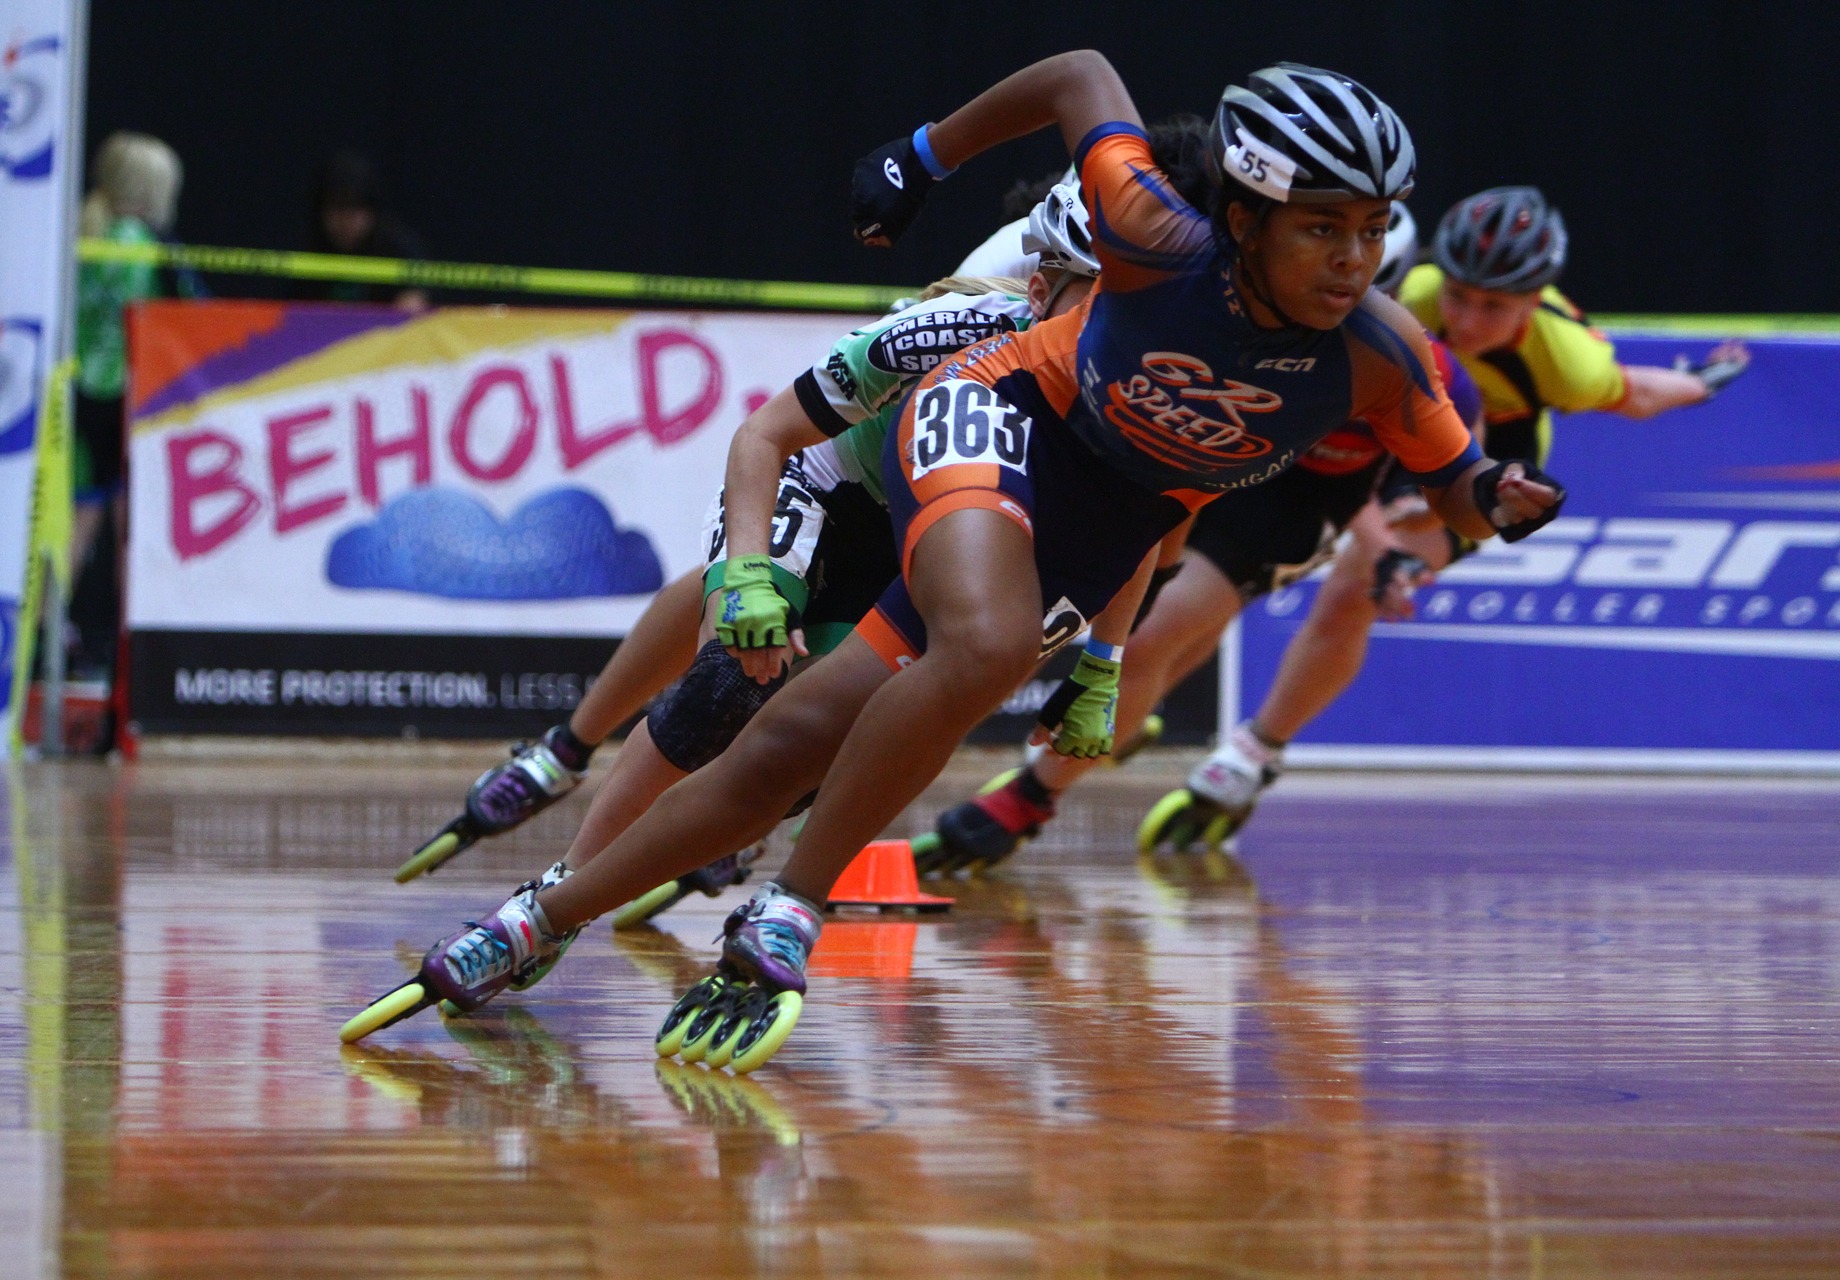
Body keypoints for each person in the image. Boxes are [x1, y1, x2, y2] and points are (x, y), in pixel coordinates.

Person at [346, 52, 1567, 1068]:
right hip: (991, 411)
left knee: (799, 740)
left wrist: (1493, 498)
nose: (1352, 260)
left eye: (1368, 232)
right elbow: (1084, 74)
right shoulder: (1139, 234)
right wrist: (922, 154)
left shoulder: (1384, 356)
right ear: (1241, 220)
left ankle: (531, 920)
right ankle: (783, 912)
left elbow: (1431, 480)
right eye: (1320, 230)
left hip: (1103, 514)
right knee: (950, 651)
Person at [383, 183, 1106, 905]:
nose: (1114, 326)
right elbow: (768, 433)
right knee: (729, 672)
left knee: (825, 740)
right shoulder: (983, 306)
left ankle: (724, 818)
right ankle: (565, 812)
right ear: (1042, 289)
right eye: (1099, 301)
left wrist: (1105, 662)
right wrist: (751, 573)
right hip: (830, 473)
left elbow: (1141, 534)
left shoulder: (1142, 374)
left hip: (918, 527)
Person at [1155, 185, 1751, 848]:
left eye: (1493, 307)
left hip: (1481, 461)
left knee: (1358, 584)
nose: (1465, 320)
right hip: (1376, 429)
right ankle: (1148, 686)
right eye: (1459, 295)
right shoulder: (1406, 290)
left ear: (1536, 302)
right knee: (1240, 561)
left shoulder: (1568, 360)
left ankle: (1252, 755)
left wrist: (1702, 382)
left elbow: (1636, 394)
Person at [913, 202, 1488, 872]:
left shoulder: (1421, 364)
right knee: (1121, 612)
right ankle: (1129, 708)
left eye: (1356, 304)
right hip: (1212, 456)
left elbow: (1446, 474)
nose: (1325, 321)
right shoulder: (1227, 303)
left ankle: (1030, 799)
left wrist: (1390, 546)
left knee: (1149, 637)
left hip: (1292, 501)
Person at [71, 132, 203, 682]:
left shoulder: (85, 231)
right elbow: (183, 312)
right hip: (124, 397)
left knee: (77, 521)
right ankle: (134, 668)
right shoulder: (135, 241)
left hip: (79, 394)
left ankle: (44, 645)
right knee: (128, 529)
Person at [292, 150, 430, 311]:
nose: (346, 222)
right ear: (321, 212)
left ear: (373, 212)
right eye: (337, 209)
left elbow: (417, 299)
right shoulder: (307, 256)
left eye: (356, 209)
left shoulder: (398, 251)